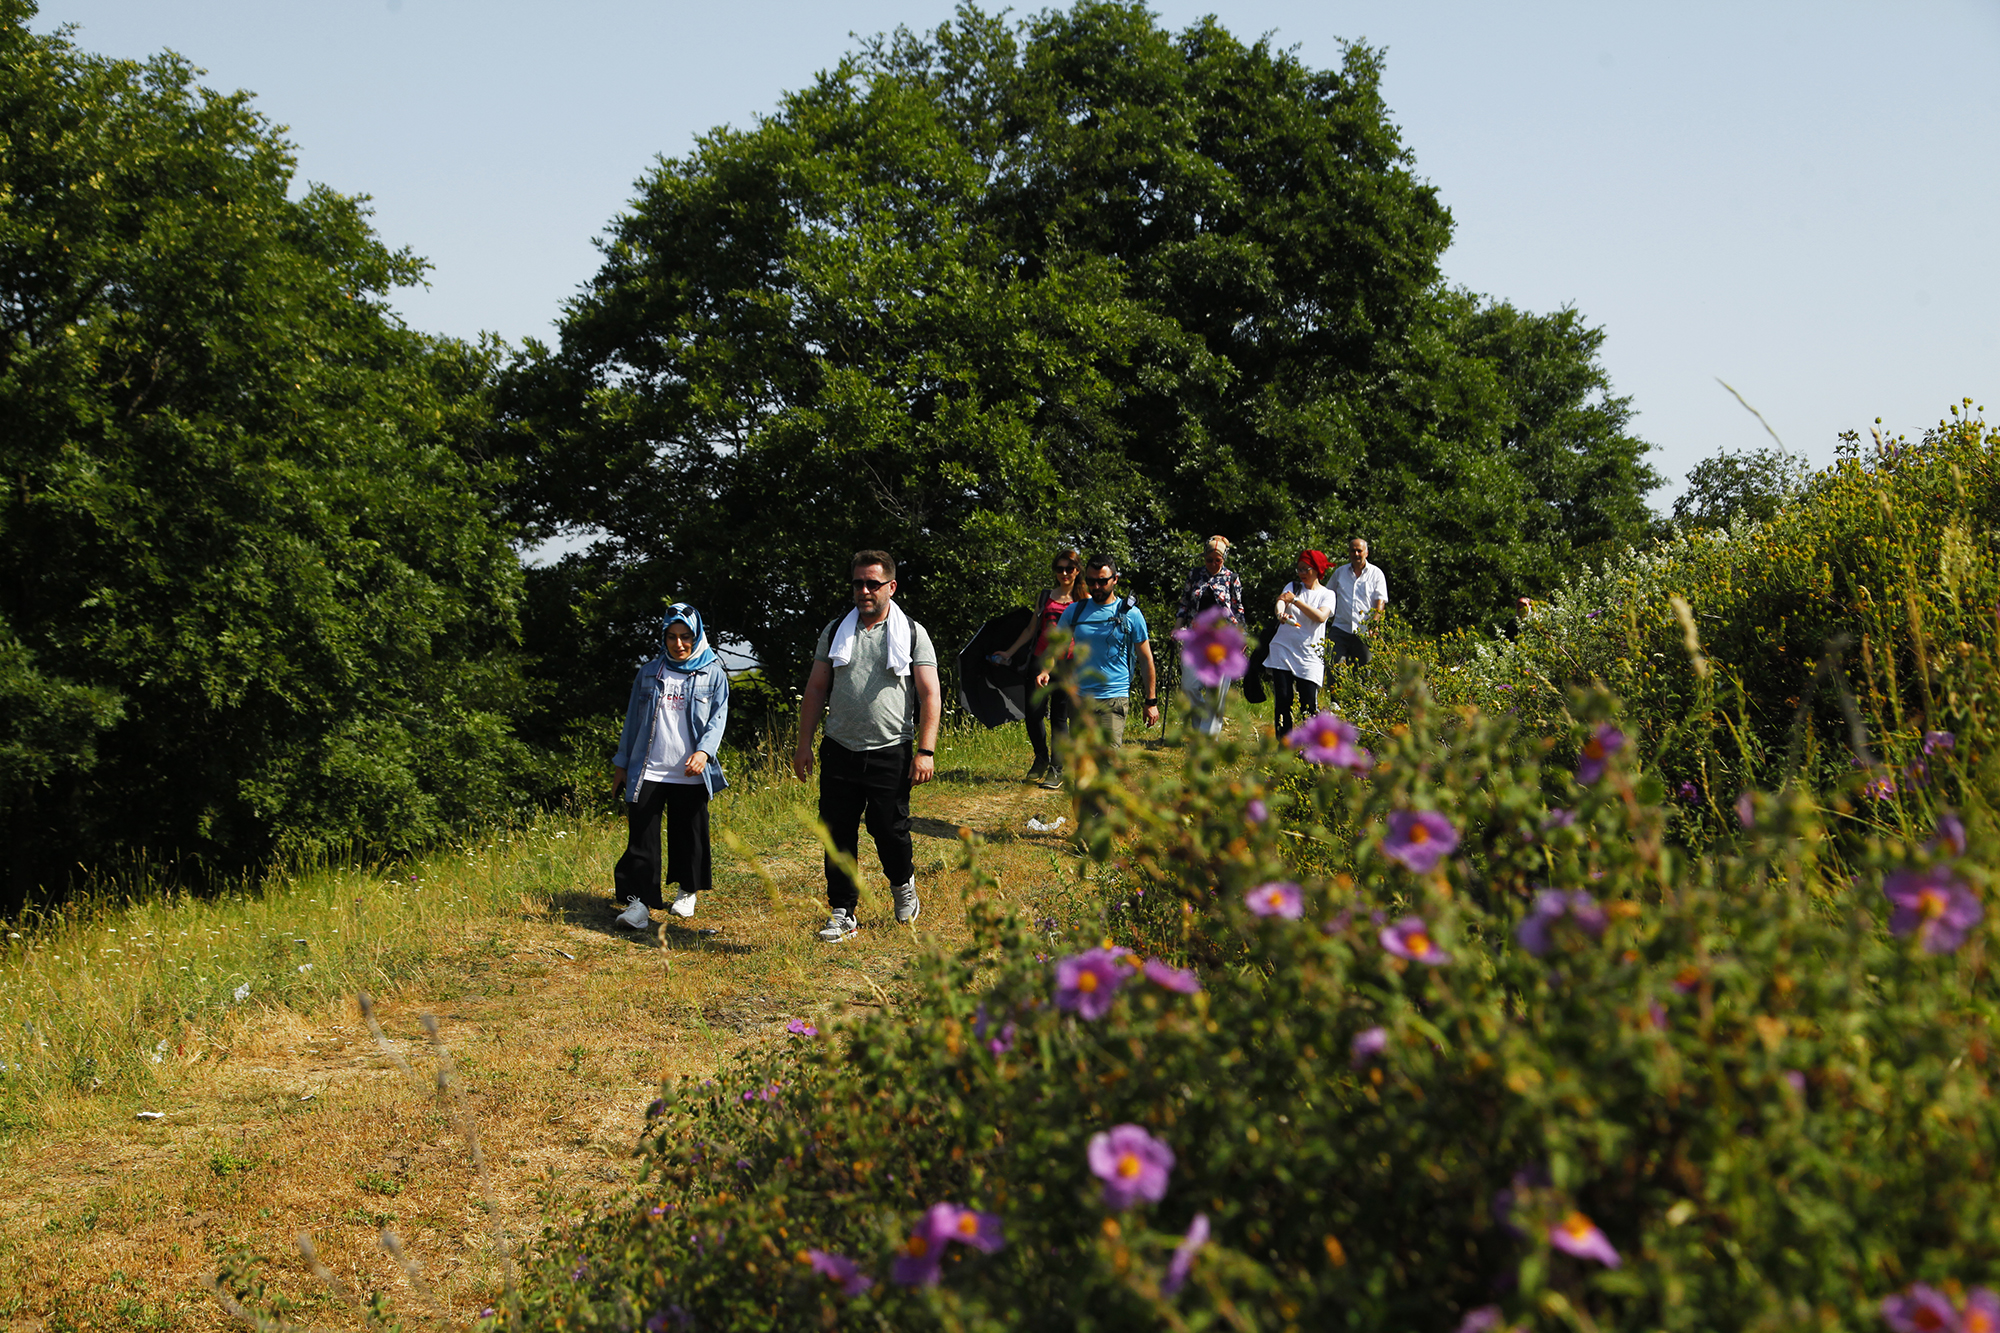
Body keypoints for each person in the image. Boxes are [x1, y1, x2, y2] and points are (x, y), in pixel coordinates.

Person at [793, 550, 941, 943]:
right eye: (858, 583)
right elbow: (816, 688)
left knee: (889, 829)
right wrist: (803, 745)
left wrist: (925, 751)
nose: (863, 591)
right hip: (840, 747)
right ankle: (842, 911)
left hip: (891, 749)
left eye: (872, 583)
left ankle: (902, 883)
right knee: (837, 831)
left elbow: (930, 695)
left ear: (891, 586)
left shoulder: (911, 632)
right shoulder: (835, 631)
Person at [610, 603, 731, 929]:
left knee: (689, 835)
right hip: (649, 769)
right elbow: (632, 722)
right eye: (672, 637)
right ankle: (640, 904)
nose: (679, 644)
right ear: (663, 637)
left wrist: (704, 753)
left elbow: (717, 721)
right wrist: (622, 764)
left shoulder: (713, 672)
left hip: (690, 771)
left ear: (697, 635)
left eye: (686, 637)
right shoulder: (649, 672)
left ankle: (687, 889)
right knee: (641, 838)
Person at [1037, 555, 1160, 759]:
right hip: (1080, 700)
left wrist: (1151, 701)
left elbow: (1146, 659)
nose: (1097, 586)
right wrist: (1045, 670)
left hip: (1114, 698)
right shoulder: (1075, 612)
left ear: (1115, 579)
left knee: (1106, 763)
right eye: (1092, 581)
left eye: (1102, 581)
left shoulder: (1131, 614)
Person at [986, 549, 1081, 783]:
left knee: (1059, 716)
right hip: (1039, 660)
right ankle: (1041, 759)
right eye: (1059, 568)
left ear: (1078, 570)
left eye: (1069, 568)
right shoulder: (1045, 596)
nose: (1064, 573)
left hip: (1067, 664)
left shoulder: (1084, 600)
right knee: (1033, 713)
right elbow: (1031, 629)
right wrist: (1009, 652)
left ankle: (1057, 768)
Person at [1175, 535, 1244, 736]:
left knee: (1216, 690)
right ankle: (1199, 727)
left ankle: (1209, 735)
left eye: (1218, 560)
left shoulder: (1232, 578)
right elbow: (1184, 604)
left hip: (1223, 639)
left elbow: (1238, 609)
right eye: (1209, 559)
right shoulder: (1194, 575)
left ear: (1224, 559)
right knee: (1188, 686)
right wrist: (1178, 628)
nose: (1213, 564)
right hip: (1195, 637)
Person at [1266, 549, 1336, 735]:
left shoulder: (1327, 594)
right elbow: (1281, 601)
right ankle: (1284, 745)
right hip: (1283, 649)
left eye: (1306, 569)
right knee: (1283, 699)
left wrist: (1295, 601)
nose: (1302, 573)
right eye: (1299, 569)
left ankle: (1310, 750)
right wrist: (1280, 612)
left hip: (1309, 654)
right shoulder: (1293, 586)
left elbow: (1321, 617)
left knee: (1308, 705)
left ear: (1318, 570)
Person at [1329, 536, 1389, 666]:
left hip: (1365, 630)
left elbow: (1381, 601)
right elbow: (1328, 595)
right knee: (1334, 667)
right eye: (1352, 551)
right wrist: (1332, 617)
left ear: (1366, 553)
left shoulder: (1376, 574)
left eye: (1359, 551)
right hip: (1340, 628)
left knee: (1365, 669)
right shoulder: (1340, 572)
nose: (1356, 554)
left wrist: (1374, 623)